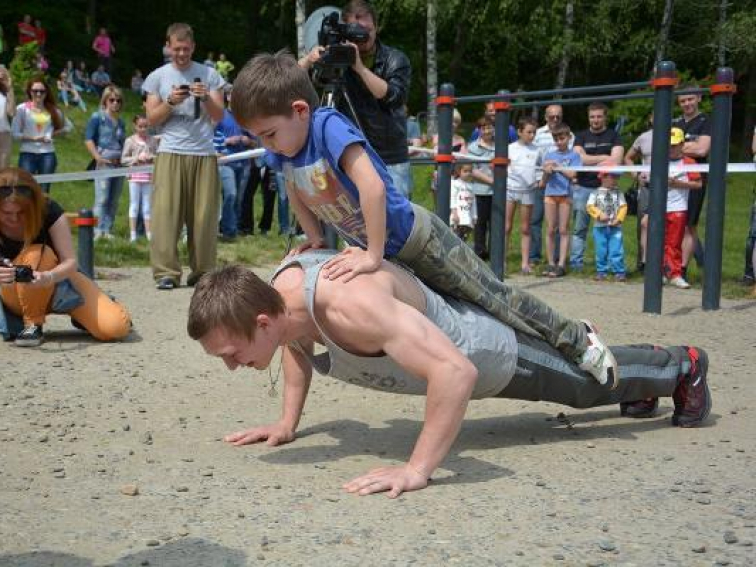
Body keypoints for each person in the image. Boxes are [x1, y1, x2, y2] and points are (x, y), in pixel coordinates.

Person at [230, 51, 618, 386]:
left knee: (491, 298)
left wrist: (372, 254)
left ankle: (577, 338)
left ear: (299, 110)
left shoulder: (325, 126)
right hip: (390, 252)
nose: (268, 145)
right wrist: (314, 237)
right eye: (261, 138)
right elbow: (296, 190)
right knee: (469, 316)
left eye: (269, 134)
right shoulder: (287, 147)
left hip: (418, 239)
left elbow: (373, 188)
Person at [188, 250, 712, 498]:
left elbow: (454, 372)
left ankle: (682, 365)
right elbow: (296, 345)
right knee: (592, 383)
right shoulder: (282, 296)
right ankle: (642, 376)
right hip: (461, 356)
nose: (233, 366)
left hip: (487, 355)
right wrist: (286, 425)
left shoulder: (351, 305)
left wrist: (417, 470)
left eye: (231, 354)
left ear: (261, 320)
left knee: (583, 387)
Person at [0, 168, 132, 347]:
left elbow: (70, 263)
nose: (14, 219)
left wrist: (48, 277)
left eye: (22, 213)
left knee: (116, 328)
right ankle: (33, 324)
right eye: (6, 213)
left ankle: (98, 309)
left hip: (58, 282)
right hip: (16, 291)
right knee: (36, 254)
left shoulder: (48, 209)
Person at [297, 0, 413, 199]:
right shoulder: (337, 57)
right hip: (351, 155)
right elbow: (290, 80)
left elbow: (393, 97)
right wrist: (310, 59)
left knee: (396, 222)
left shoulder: (395, 59)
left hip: (389, 156)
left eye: (367, 29)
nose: (363, 36)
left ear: (376, 27)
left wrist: (358, 67)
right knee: (354, 222)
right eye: (356, 30)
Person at [142, 22, 225, 290]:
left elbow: (219, 116)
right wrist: (170, 102)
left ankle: (203, 271)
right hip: (171, 151)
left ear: (193, 47)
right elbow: (151, 120)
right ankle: (166, 272)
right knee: (166, 214)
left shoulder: (209, 75)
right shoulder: (158, 77)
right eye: (177, 49)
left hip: (203, 152)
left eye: (186, 49)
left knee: (203, 217)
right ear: (168, 46)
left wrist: (207, 98)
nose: (181, 54)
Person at [571, 102, 624, 269]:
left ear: (605, 117)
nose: (595, 120)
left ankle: (608, 264)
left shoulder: (614, 136)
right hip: (583, 187)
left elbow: (616, 159)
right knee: (580, 228)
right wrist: (604, 157)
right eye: (592, 116)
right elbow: (579, 159)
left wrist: (591, 159)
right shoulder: (581, 136)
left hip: (607, 190)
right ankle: (576, 263)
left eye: (599, 116)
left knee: (610, 228)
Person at [673, 88, 711, 282]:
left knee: (689, 224)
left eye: (690, 99)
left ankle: (683, 268)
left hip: (695, 178)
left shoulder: (706, 122)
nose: (687, 104)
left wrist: (677, 148)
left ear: (698, 98)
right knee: (672, 222)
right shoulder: (675, 123)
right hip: (673, 177)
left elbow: (703, 149)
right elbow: (663, 148)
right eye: (682, 101)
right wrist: (688, 148)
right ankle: (671, 266)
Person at [84, 85, 126, 239]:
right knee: (102, 198)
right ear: (105, 101)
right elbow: (88, 139)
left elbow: (123, 143)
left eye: (118, 101)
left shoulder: (121, 122)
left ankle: (108, 229)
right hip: (104, 162)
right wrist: (97, 157)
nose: (115, 103)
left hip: (119, 163)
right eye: (112, 100)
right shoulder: (97, 117)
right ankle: (97, 230)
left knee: (113, 199)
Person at [539, 122, 580, 278]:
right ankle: (550, 262)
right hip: (550, 195)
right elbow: (543, 182)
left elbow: (573, 175)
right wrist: (547, 171)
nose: (559, 142)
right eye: (556, 139)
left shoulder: (574, 156)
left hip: (565, 195)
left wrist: (558, 167)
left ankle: (561, 263)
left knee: (563, 229)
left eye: (562, 138)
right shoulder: (549, 155)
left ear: (569, 138)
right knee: (550, 229)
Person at [531, 105, 571, 265]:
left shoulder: (570, 134)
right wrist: (537, 179)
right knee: (535, 220)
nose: (555, 119)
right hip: (541, 181)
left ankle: (555, 257)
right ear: (545, 117)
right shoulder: (538, 134)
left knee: (557, 225)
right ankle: (534, 256)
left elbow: (571, 158)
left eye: (558, 117)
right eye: (552, 116)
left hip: (561, 185)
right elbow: (533, 158)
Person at [12, 76, 66, 193]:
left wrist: (52, 133)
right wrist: (35, 138)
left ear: (46, 93)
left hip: (48, 154)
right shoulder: (22, 109)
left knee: (44, 190)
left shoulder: (52, 109)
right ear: (29, 92)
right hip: (27, 153)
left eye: (42, 91)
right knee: (25, 189)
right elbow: (15, 134)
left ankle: (42, 211)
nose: (38, 94)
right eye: (35, 91)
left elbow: (68, 127)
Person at [664, 128, 702, 290]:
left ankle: (675, 274)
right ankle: (661, 272)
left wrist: (678, 184)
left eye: (674, 145)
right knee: (658, 241)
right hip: (659, 207)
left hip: (678, 207)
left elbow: (698, 184)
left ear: (682, 145)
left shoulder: (689, 163)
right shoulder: (659, 160)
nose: (671, 148)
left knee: (674, 242)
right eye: (669, 145)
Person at [505, 116, 541, 275]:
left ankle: (525, 263)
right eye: (528, 132)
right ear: (519, 132)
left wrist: (539, 181)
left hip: (528, 192)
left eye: (534, 132)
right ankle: (502, 261)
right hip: (510, 189)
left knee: (526, 228)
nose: (532, 135)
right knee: (506, 226)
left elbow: (539, 170)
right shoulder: (510, 148)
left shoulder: (537, 150)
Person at [214, 106, 252, 240]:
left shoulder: (245, 115)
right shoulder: (220, 113)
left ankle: (233, 230)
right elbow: (211, 134)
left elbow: (255, 139)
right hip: (226, 161)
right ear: (228, 97)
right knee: (230, 194)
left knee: (238, 199)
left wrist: (248, 140)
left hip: (244, 162)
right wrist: (228, 141)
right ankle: (227, 230)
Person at [624, 111, 654, 272]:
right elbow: (628, 157)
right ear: (650, 118)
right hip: (647, 187)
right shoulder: (643, 137)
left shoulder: (676, 135)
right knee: (642, 225)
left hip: (672, 187)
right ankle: (642, 264)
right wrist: (636, 175)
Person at [587, 167, 628, 282]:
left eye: (617, 177)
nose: (616, 180)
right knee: (601, 249)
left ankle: (619, 271)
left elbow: (623, 207)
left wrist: (619, 219)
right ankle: (601, 271)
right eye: (613, 177)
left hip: (615, 227)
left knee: (616, 249)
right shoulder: (595, 193)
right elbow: (590, 207)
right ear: (603, 177)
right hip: (600, 227)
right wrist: (599, 215)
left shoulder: (619, 193)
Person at [121, 114, 157, 242]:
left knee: (147, 206)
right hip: (135, 176)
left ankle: (149, 234)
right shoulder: (130, 141)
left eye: (145, 126)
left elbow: (157, 156)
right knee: (134, 204)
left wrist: (151, 157)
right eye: (140, 126)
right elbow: (123, 159)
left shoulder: (152, 141)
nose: (143, 129)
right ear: (135, 126)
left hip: (148, 176)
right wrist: (136, 158)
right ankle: (133, 234)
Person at [467, 116, 495, 260]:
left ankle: (494, 251)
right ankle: (480, 251)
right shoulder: (472, 147)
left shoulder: (500, 146)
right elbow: (472, 170)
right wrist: (492, 181)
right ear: (478, 130)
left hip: (496, 192)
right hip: (480, 191)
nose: (487, 131)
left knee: (495, 223)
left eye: (489, 127)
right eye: (483, 128)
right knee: (480, 223)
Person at [450, 162, 477, 243]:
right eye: (465, 171)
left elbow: (473, 202)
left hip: (467, 219)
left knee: (463, 241)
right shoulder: (455, 184)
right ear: (459, 171)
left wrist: (474, 216)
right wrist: (454, 213)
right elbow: (453, 198)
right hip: (458, 219)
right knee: (455, 240)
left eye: (470, 171)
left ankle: (460, 254)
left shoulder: (471, 186)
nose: (468, 173)